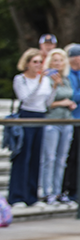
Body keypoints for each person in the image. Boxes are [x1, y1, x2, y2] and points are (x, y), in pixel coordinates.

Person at [7, 49, 53, 207]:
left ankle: (32, 196)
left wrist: (54, 87)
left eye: (40, 62)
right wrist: (38, 82)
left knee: (36, 157)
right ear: (27, 63)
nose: (38, 65)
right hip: (26, 115)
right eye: (35, 62)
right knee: (23, 156)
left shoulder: (45, 80)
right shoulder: (20, 79)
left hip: (40, 116)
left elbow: (47, 102)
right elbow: (26, 98)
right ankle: (17, 196)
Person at [59, 44, 80, 204]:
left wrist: (79, 96)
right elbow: (70, 95)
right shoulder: (67, 73)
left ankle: (74, 190)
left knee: (77, 156)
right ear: (76, 58)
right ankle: (63, 189)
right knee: (67, 156)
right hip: (69, 119)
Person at [40, 59, 77, 204]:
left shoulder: (66, 80)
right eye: (55, 60)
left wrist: (71, 104)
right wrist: (62, 102)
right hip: (52, 122)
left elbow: (71, 96)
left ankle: (58, 192)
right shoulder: (46, 79)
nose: (58, 63)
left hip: (66, 121)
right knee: (49, 158)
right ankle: (46, 192)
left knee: (62, 159)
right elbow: (45, 103)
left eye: (61, 60)